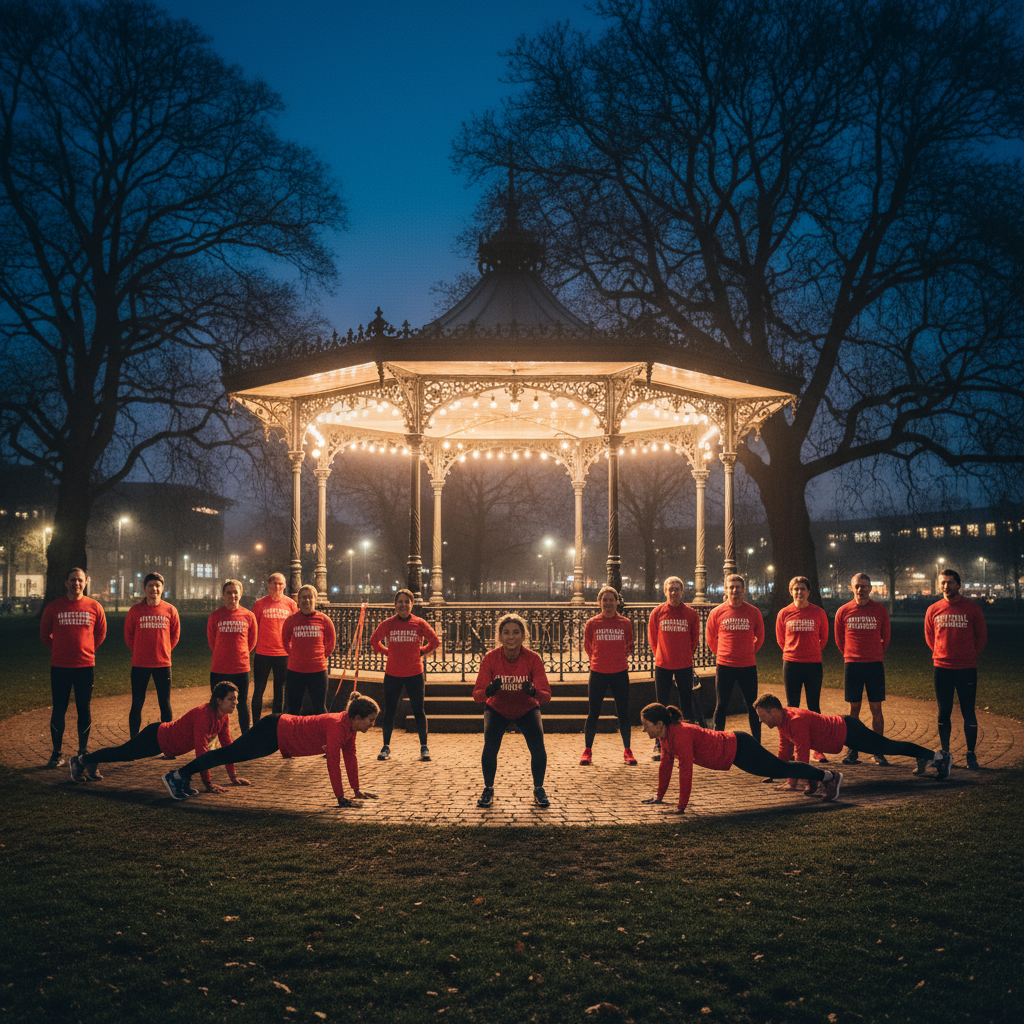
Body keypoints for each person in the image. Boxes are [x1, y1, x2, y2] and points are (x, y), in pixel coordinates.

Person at [162, 690, 379, 807]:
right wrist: (340, 798)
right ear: (357, 717)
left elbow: (350, 759)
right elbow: (333, 763)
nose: (372, 724)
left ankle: (181, 775)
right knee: (226, 754)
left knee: (225, 754)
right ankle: (178, 775)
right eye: (371, 720)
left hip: (277, 737)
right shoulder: (337, 727)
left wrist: (356, 790)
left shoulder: (349, 728)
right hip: (273, 730)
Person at [638, 702, 844, 811]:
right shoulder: (665, 737)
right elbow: (665, 767)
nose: (644, 730)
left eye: (646, 725)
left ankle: (829, 777)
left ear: (659, 724)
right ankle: (822, 777)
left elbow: (686, 771)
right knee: (781, 768)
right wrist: (659, 798)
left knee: (780, 769)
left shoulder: (680, 735)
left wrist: (681, 807)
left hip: (740, 746)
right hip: (735, 752)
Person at [70, 681, 248, 794]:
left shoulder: (223, 717)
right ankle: (82, 760)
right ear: (219, 700)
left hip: (164, 744)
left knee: (123, 753)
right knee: (123, 754)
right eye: (231, 699)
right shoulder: (204, 715)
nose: (235, 703)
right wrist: (208, 784)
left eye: (236, 699)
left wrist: (233, 777)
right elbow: (202, 752)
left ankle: (90, 761)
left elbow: (227, 748)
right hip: (156, 737)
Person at [753, 693, 950, 793]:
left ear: (774, 711)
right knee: (889, 746)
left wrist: (791, 782)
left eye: (762, 716)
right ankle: (925, 756)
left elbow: (802, 754)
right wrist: (776, 774)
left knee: (888, 747)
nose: (761, 720)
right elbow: (784, 750)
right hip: (845, 731)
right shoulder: (782, 722)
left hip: (849, 730)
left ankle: (939, 757)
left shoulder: (795, 721)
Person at [472, 613, 552, 808]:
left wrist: (533, 691)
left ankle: (539, 788)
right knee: (490, 748)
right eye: (506, 632)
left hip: (526, 707)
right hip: (497, 707)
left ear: (523, 636)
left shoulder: (533, 659)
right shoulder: (491, 658)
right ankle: (488, 788)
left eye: (516, 632)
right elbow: (477, 694)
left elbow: (546, 695)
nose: (511, 637)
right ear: (499, 637)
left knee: (538, 749)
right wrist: (489, 691)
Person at [40, 567, 107, 769]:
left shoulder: (95, 606)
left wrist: (86, 649)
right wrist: (60, 649)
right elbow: (44, 634)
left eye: (79, 580)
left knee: (83, 709)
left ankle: (82, 752)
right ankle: (56, 753)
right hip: (60, 666)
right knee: (59, 709)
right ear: (65, 582)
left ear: (86, 581)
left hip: (85, 667)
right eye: (72, 580)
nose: (76, 584)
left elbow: (101, 633)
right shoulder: (54, 607)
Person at [924, 568, 987, 770]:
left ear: (958, 585)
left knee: (968, 711)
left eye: (950, 582)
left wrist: (968, 655)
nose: (946, 586)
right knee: (944, 713)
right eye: (942, 582)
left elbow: (981, 637)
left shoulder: (972, 608)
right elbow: (930, 637)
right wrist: (942, 654)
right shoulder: (933, 609)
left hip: (966, 668)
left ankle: (970, 754)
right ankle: (945, 752)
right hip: (942, 668)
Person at [370, 589, 440, 762]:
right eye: (400, 602)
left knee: (418, 711)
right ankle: (385, 747)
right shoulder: (388, 623)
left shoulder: (419, 623)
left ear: (411, 604)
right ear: (395, 605)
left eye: (406, 602)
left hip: (414, 673)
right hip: (393, 673)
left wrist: (421, 652)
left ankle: (424, 747)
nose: (403, 605)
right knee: (390, 711)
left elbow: (435, 641)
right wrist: (388, 652)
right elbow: (373, 641)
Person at [834, 573, 891, 765]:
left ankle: (878, 750)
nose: (861, 589)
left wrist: (874, 653)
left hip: (874, 664)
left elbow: (886, 637)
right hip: (853, 665)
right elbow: (839, 639)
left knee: (876, 708)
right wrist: (851, 654)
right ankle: (853, 750)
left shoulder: (880, 610)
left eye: (865, 586)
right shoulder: (843, 611)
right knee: (854, 709)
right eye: (858, 586)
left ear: (871, 588)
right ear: (852, 588)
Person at [647, 575, 703, 760]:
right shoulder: (657, 612)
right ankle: (660, 744)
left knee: (686, 704)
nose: (674, 592)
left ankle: (687, 742)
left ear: (682, 591)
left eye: (677, 589)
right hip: (663, 665)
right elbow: (653, 638)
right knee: (660, 705)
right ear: (665, 591)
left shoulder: (691, 613)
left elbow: (694, 638)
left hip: (684, 665)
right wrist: (661, 654)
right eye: (670, 589)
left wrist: (685, 654)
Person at [775, 576, 830, 762]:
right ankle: (791, 748)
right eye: (796, 589)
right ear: (791, 591)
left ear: (809, 591)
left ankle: (818, 748)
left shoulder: (818, 613)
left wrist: (810, 651)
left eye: (802, 589)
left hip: (813, 664)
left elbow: (824, 638)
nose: (799, 592)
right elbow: (781, 639)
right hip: (791, 664)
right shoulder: (784, 613)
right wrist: (794, 652)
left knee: (814, 707)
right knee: (792, 708)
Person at [581, 586, 636, 765]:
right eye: (604, 600)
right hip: (598, 672)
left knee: (623, 713)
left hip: (619, 672)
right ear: (599, 603)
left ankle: (627, 750)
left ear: (617, 602)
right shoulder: (592, 624)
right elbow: (588, 646)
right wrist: (599, 658)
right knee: (593, 713)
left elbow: (629, 644)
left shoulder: (625, 623)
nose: (608, 603)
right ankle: (587, 750)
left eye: (611, 599)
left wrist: (618, 658)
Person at [706, 574, 764, 742]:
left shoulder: (753, 612)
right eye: (731, 587)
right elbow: (711, 638)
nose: (735, 590)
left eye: (738, 587)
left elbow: (760, 636)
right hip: (725, 665)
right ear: (726, 589)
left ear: (744, 590)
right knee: (721, 705)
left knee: (753, 706)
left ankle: (757, 742)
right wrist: (723, 653)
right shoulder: (717, 612)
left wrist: (749, 652)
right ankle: (717, 741)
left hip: (747, 665)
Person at [123, 572, 181, 738]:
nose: (154, 589)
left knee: (165, 703)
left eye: (157, 585)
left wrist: (163, 650)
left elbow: (175, 635)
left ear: (162, 588)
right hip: (140, 664)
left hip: (162, 664)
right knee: (137, 703)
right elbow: (128, 635)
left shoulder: (170, 610)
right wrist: (140, 650)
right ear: (144, 588)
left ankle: (167, 742)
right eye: (150, 585)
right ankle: (133, 742)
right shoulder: (135, 611)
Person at [207, 579, 258, 731]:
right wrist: (222, 653)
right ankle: (216, 739)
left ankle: (246, 740)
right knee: (218, 705)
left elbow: (252, 641)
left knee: (242, 703)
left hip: (240, 668)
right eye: (229, 592)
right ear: (223, 595)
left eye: (235, 592)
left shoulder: (248, 616)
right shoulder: (215, 616)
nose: (232, 595)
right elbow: (212, 641)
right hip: (219, 668)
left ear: (240, 594)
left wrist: (239, 654)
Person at [251, 573, 298, 725]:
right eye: (274, 583)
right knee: (259, 690)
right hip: (263, 654)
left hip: (283, 654)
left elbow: (294, 628)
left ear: (284, 586)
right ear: (268, 585)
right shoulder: (260, 604)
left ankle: (275, 726)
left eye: (280, 584)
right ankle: (256, 725)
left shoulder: (291, 604)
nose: (277, 586)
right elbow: (254, 627)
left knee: (280, 692)